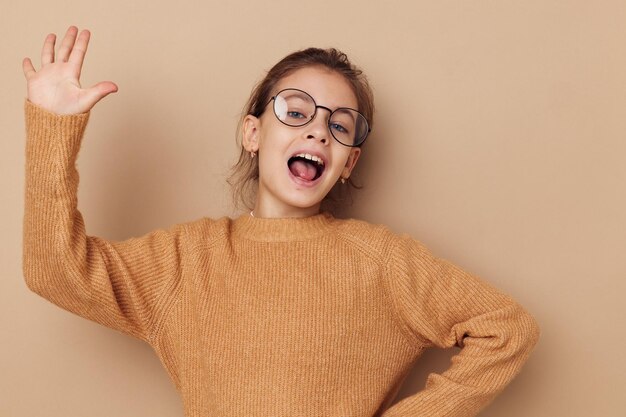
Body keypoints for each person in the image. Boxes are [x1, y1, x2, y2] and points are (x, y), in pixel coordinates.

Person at [22, 26, 539, 417]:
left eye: (340, 125)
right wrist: (52, 126)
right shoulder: (186, 259)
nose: (318, 132)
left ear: (348, 163)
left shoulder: (381, 261)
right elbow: (55, 270)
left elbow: (507, 329)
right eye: (296, 112)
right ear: (253, 133)